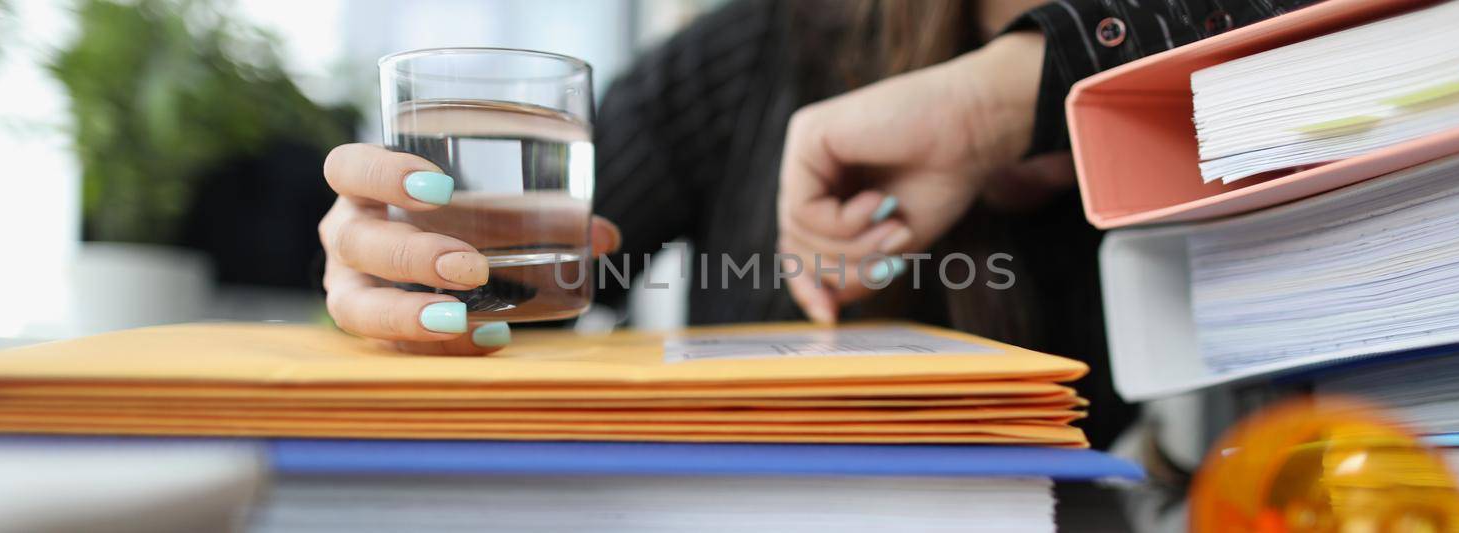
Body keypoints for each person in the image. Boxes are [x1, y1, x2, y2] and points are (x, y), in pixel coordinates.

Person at [317, 0, 1319, 449]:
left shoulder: (1270, 81)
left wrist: (1008, 92)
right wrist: (409, 273)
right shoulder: (753, 56)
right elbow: (527, 286)